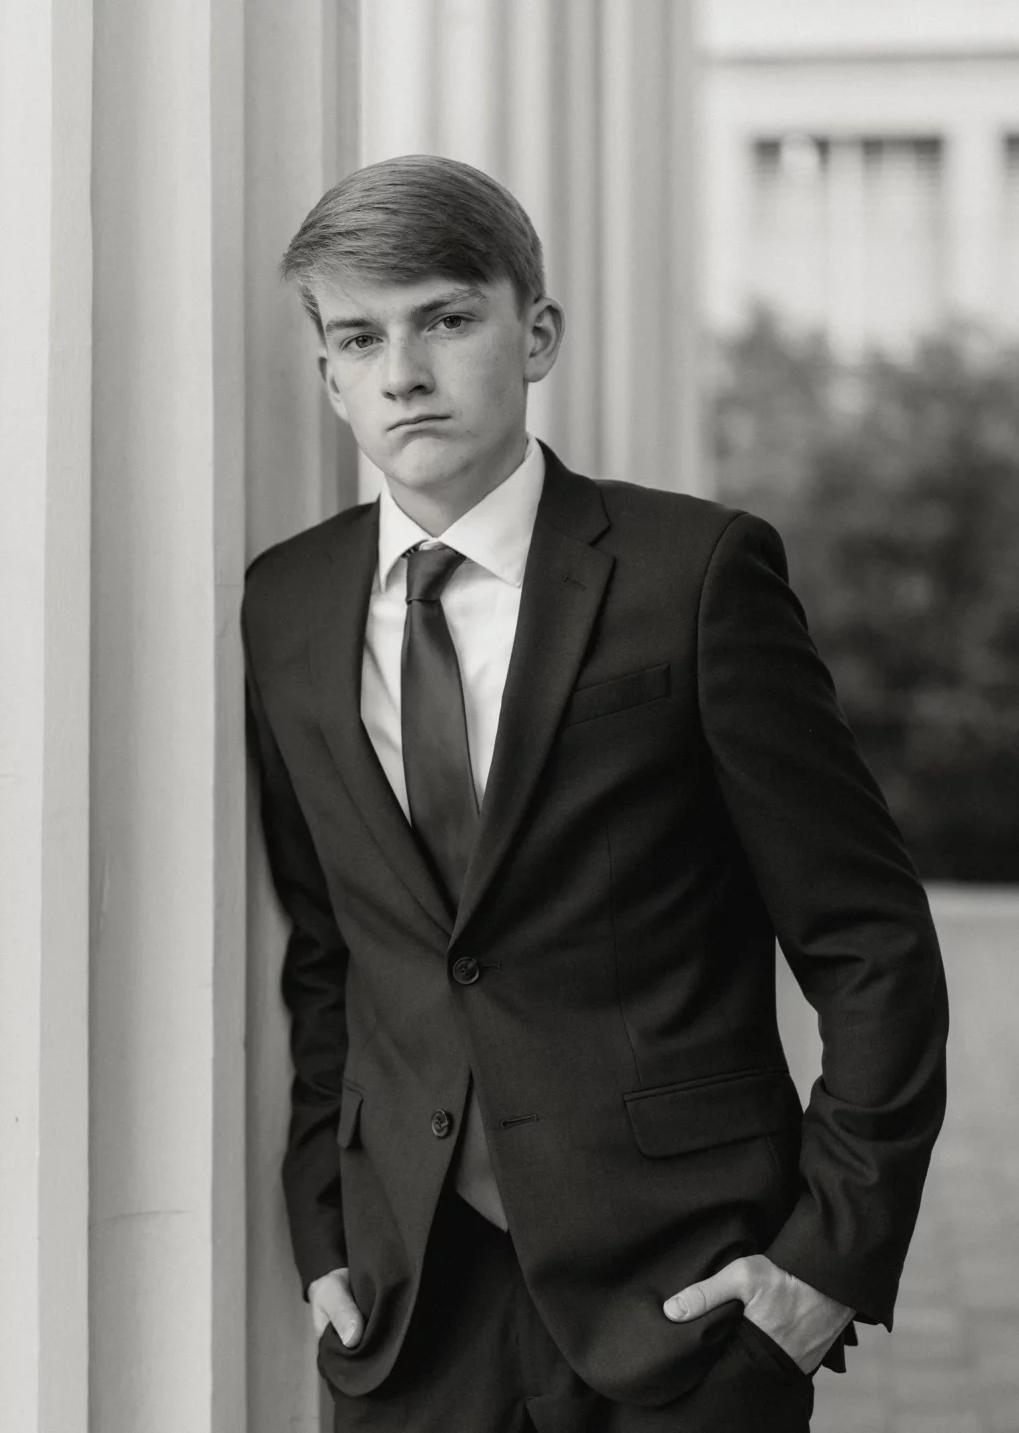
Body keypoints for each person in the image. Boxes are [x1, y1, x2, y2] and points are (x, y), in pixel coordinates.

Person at [242, 154, 948, 1432]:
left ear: (536, 334)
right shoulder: (286, 604)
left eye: (447, 318)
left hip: (686, 1299)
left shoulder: (696, 574)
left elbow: (868, 940)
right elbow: (330, 947)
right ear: (329, 375)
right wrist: (321, 1227)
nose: (404, 369)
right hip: (409, 1305)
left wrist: (826, 1258)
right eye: (360, 336)